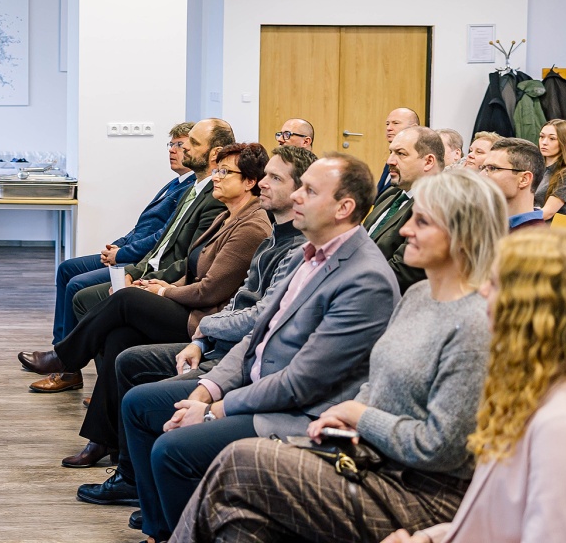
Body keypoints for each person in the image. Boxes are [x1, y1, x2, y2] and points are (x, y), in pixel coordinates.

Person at [170, 169, 507, 543]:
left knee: (241, 460)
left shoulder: (476, 323)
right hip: (372, 461)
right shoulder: (418, 295)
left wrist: (358, 416)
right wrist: (349, 417)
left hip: (423, 492)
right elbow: (377, 380)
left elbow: (439, 448)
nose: (405, 230)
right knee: (240, 521)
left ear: (463, 234)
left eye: (422, 222)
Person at [121, 154, 399, 543]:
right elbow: (257, 335)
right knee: (138, 404)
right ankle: (162, 532)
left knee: (173, 451)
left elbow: (301, 383)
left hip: (299, 413)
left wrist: (214, 411)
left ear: (344, 208)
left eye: (309, 191)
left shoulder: (365, 279)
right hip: (257, 386)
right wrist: (207, 390)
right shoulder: (305, 253)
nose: (297, 196)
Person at [76, 146, 316, 510]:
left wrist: (188, 316)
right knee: (123, 341)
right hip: (214, 333)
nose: (264, 184)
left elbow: (247, 311)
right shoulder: (267, 234)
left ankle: (68, 360)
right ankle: (127, 474)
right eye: (265, 176)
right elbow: (226, 291)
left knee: (126, 306)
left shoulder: (274, 237)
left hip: (217, 332)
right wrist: (162, 290)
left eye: (274, 178)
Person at [385, 228, 566, 543]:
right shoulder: (538, 390)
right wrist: (432, 538)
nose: (483, 291)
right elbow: (498, 521)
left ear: (534, 309)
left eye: (496, 283)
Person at [21, 144, 272, 469]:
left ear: (250, 182)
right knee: (119, 337)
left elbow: (210, 291)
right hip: (189, 304)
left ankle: (65, 357)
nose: (217, 177)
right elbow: (190, 269)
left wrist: (164, 291)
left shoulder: (251, 227)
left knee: (125, 298)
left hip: (202, 321)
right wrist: (156, 284)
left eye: (225, 172)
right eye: (217, 170)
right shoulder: (228, 216)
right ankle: (103, 440)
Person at [36, 123, 195, 393]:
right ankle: (60, 350)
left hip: (141, 260)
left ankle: (68, 368)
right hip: (128, 250)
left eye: (180, 145)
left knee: (78, 286)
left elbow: (161, 238)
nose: (173, 150)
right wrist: (118, 245)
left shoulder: (191, 189)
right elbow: (142, 227)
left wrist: (122, 254)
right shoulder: (175, 183)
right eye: (171, 144)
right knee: (67, 269)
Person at [58, 119, 235, 329]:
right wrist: (124, 252)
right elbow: (156, 234)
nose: (181, 148)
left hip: (159, 273)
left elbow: (185, 256)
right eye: (174, 144)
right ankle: (66, 347)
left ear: (215, 153)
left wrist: (131, 265)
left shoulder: (211, 197)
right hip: (144, 262)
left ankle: (69, 348)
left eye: (189, 143)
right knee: (70, 273)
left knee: (79, 291)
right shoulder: (188, 188)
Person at [363, 125, 444, 292]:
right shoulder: (391, 194)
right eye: (391, 152)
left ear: (428, 162)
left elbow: (403, 271)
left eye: (401, 154)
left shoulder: (438, 203)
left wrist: (348, 280)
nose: (390, 161)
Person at [480, 137, 546, 231]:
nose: (481, 175)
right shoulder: (487, 223)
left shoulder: (534, 236)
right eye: (484, 168)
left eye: (493, 168)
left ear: (524, 179)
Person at [537, 118, 566, 220]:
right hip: (529, 220)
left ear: (564, 142)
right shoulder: (535, 166)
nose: (544, 142)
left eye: (552, 138)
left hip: (547, 226)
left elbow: (547, 213)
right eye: (541, 137)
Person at [378, 107, 420, 195]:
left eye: (395, 123)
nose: (389, 128)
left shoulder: (417, 159)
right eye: (387, 124)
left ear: (413, 128)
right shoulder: (392, 157)